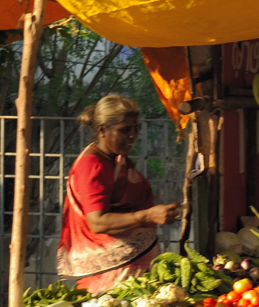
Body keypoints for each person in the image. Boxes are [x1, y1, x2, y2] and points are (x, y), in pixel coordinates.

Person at [58, 95, 179, 294]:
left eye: (135, 128)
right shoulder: (93, 166)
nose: (133, 135)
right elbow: (98, 222)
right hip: (112, 280)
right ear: (102, 130)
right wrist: (148, 215)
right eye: (125, 130)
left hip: (129, 273)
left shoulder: (114, 160)